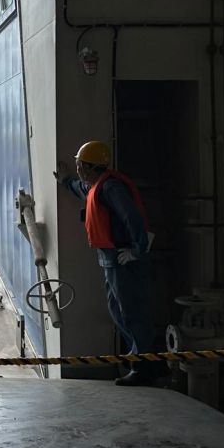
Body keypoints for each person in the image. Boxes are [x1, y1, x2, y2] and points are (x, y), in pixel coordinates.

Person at [55, 141, 161, 386]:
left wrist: (138, 249)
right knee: (118, 312)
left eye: (80, 164)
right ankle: (145, 361)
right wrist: (64, 180)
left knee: (132, 313)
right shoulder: (95, 186)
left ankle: (143, 367)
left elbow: (130, 216)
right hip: (110, 261)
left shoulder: (111, 187)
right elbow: (79, 188)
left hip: (124, 261)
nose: (78, 167)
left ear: (88, 166)